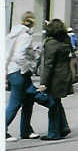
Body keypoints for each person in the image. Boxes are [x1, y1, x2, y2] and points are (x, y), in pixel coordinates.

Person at [5, 11, 40, 141]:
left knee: (28, 101)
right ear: (33, 22)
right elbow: (19, 55)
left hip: (13, 71)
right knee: (15, 103)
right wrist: (26, 68)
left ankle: (26, 130)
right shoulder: (25, 36)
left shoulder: (13, 34)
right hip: (19, 72)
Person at [36, 19, 72, 140]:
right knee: (57, 103)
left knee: (53, 106)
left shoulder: (51, 44)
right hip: (64, 76)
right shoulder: (66, 41)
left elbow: (48, 66)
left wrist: (43, 83)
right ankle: (64, 127)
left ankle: (54, 133)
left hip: (54, 79)